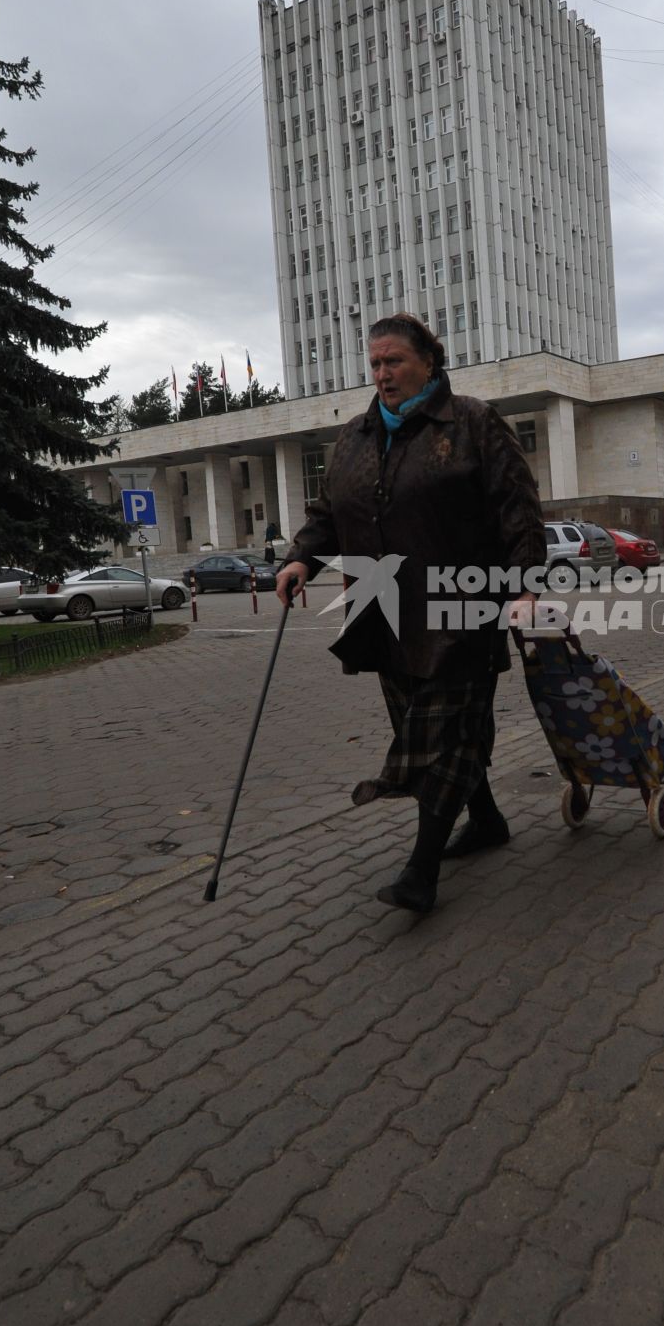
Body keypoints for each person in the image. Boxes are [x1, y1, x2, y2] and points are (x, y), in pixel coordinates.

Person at [276, 314, 546, 916]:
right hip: (384, 611)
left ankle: (420, 871)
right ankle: (486, 819)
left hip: (461, 606)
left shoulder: (472, 422)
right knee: (423, 725)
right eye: (374, 364)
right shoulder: (355, 437)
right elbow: (328, 511)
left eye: (393, 361)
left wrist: (525, 586)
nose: (382, 374)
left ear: (429, 360)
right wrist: (302, 560)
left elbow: (518, 509)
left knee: (442, 736)